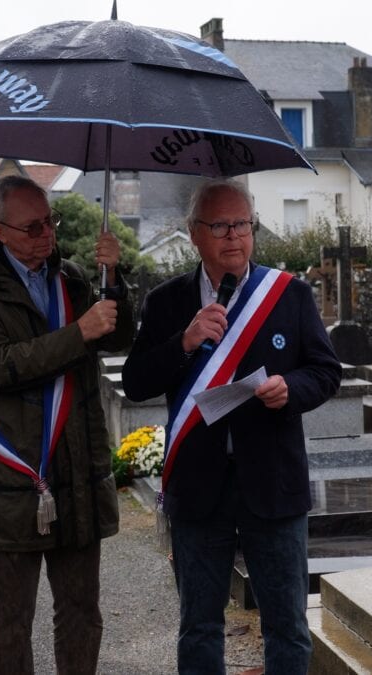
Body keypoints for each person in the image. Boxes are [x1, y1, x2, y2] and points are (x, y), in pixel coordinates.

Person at [121, 178, 343, 674]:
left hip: (273, 484)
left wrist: (291, 389)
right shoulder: (166, 302)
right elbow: (135, 382)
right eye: (219, 225)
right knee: (199, 628)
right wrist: (183, 342)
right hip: (198, 487)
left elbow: (326, 372)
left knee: (286, 625)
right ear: (194, 233)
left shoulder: (287, 294)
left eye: (242, 224)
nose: (233, 236)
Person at [0, 174, 133, 674]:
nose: (46, 234)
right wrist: (79, 333)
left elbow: (118, 339)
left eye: (49, 221)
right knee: (11, 619)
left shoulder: (73, 277)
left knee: (80, 611)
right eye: (32, 227)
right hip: (12, 475)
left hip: (77, 469)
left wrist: (113, 278)